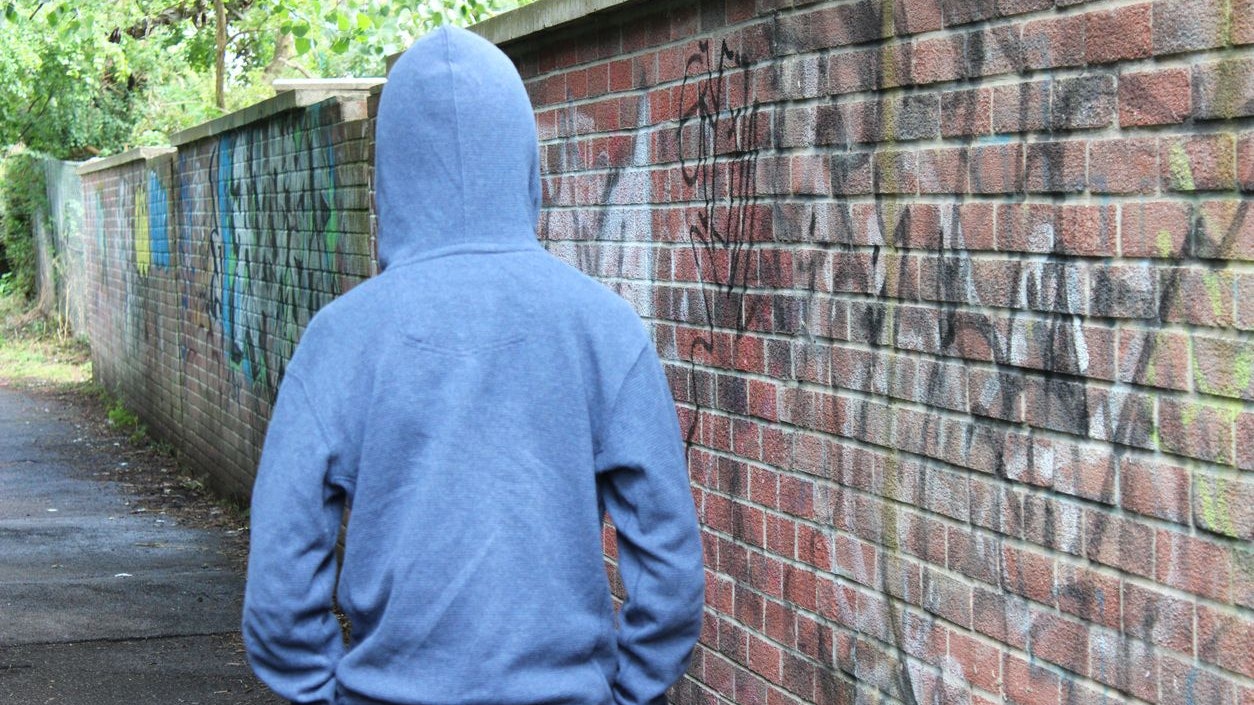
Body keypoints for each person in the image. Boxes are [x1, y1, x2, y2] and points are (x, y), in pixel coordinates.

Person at [241, 25, 706, 705]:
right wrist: (626, 691)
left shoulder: (339, 340)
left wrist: (326, 692)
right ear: (524, 161)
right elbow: (670, 568)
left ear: (390, 174)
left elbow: (279, 582)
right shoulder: (604, 330)